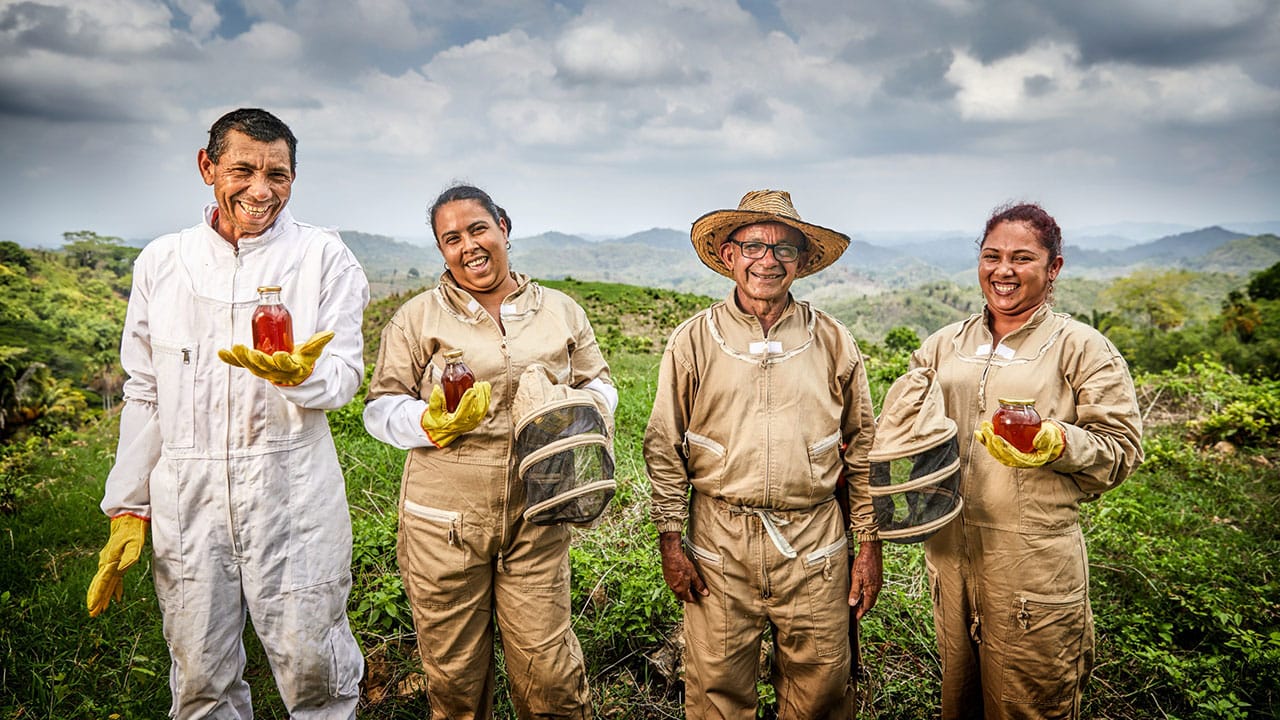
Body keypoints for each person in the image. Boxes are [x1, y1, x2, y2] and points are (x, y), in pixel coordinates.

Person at [85, 108, 369, 717]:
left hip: (293, 494)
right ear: (207, 167)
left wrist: (302, 376)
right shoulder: (162, 262)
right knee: (200, 674)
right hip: (189, 500)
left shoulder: (325, 257)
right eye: (243, 169)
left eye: (279, 174)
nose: (261, 190)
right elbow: (144, 389)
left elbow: (345, 375)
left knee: (316, 665)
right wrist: (129, 506)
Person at [362, 184, 617, 719]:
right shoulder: (417, 318)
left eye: (478, 229)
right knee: (454, 679)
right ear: (441, 250)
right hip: (444, 522)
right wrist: (427, 422)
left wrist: (570, 404)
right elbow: (379, 408)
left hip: (538, 513)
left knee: (550, 674)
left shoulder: (561, 312)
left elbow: (602, 385)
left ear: (504, 225)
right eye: (451, 238)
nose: (468, 246)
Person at [644, 189, 883, 718]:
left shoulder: (833, 341)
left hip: (814, 545)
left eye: (784, 249)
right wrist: (669, 539)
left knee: (821, 689)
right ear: (729, 256)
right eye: (752, 245)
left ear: (801, 261)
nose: (767, 261)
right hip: (719, 540)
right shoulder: (694, 341)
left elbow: (862, 446)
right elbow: (664, 446)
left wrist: (867, 543)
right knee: (715, 691)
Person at [909, 202, 1143, 719]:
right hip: (950, 559)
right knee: (960, 703)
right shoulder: (943, 345)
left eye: (1022, 258)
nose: (1003, 271)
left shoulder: (1081, 347)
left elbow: (1122, 448)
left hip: (1033, 567)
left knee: (1030, 705)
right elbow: (906, 430)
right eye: (991, 256)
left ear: (1053, 267)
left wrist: (1057, 441)